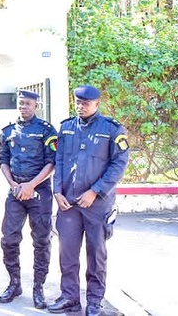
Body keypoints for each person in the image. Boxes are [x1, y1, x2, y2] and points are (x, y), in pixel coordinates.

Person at [47, 85, 129, 316]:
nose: (80, 107)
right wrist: (57, 192)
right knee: (67, 254)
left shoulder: (112, 129)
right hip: (69, 204)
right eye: (77, 102)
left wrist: (95, 191)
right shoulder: (66, 128)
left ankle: (94, 302)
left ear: (96, 104)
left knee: (96, 255)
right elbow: (60, 161)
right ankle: (70, 297)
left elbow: (119, 164)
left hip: (97, 205)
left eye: (85, 103)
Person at [0, 90, 58, 309]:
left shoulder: (46, 131)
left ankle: (38, 287)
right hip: (15, 191)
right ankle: (14, 283)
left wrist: (31, 186)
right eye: (21, 103)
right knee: (9, 238)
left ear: (36, 105)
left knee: (41, 240)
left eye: (28, 104)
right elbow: (3, 160)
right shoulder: (8, 131)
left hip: (39, 191)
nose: (23, 107)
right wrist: (14, 185)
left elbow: (51, 162)